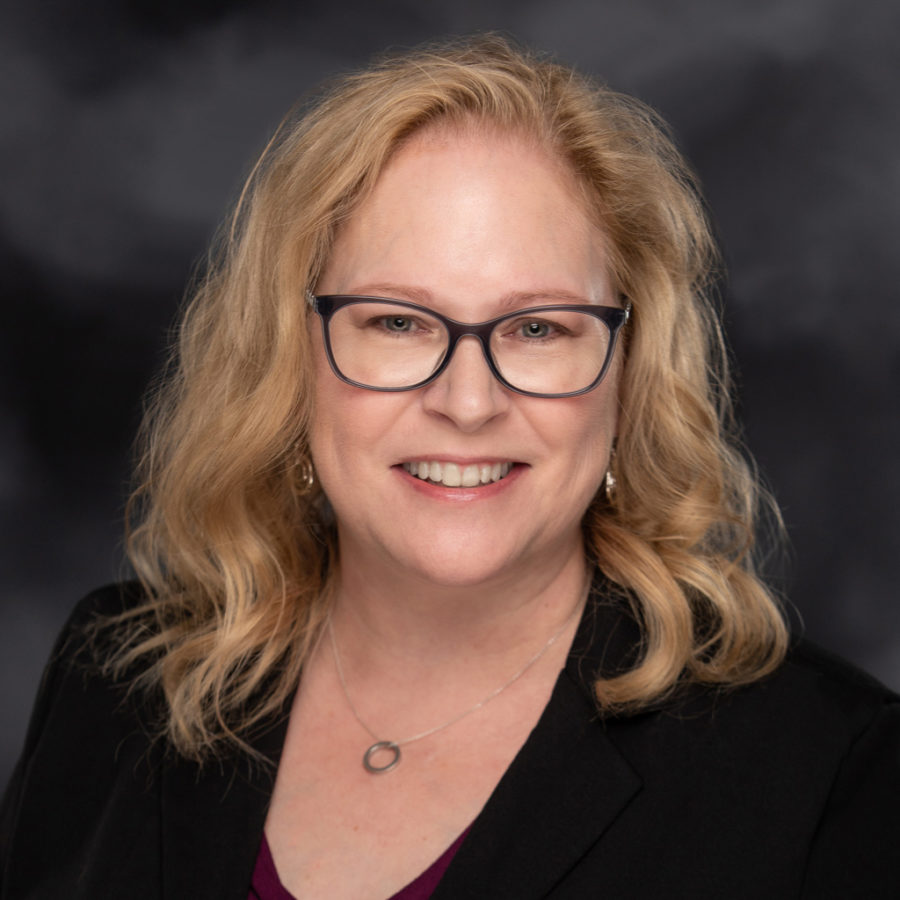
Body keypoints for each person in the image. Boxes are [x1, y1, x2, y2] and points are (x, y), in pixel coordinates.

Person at [1, 35, 898, 900]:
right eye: (396, 322)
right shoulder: (114, 678)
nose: (468, 403)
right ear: (290, 358)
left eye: (539, 328)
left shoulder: (830, 771)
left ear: (630, 374)